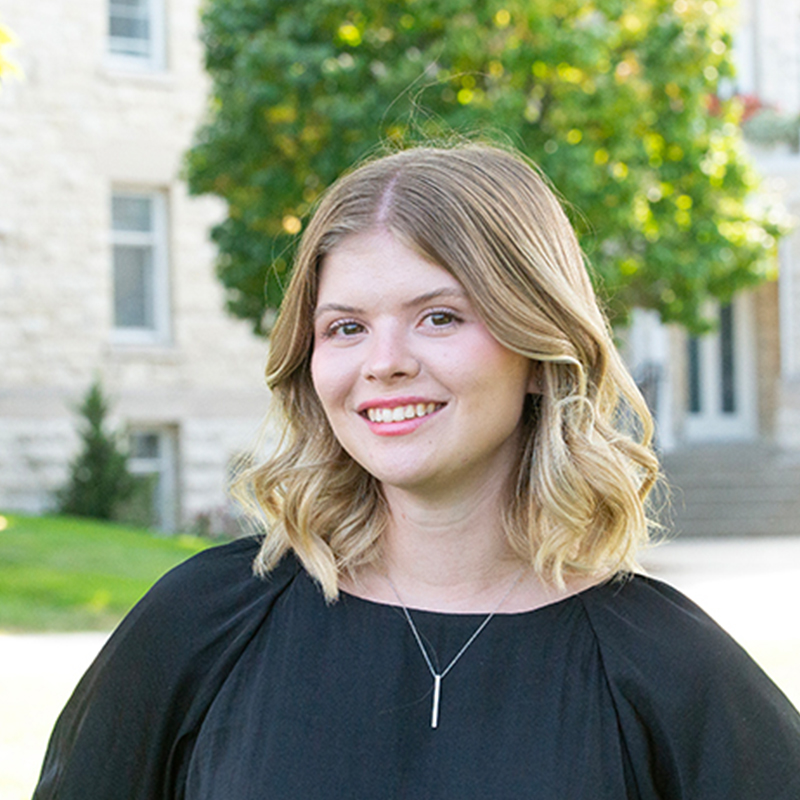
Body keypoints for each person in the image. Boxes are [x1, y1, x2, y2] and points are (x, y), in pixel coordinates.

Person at [35, 144, 800, 799]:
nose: (385, 362)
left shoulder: (666, 668)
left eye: (440, 316)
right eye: (346, 328)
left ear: (539, 350)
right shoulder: (201, 626)